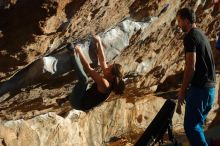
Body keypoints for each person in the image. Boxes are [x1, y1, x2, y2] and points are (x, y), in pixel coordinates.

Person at [176, 8, 216, 146]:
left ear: (187, 20)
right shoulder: (202, 35)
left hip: (200, 91)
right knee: (197, 126)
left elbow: (190, 66)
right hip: (210, 91)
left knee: (191, 127)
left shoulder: (190, 37)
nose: (179, 24)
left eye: (179, 21)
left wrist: (182, 92)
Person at [56, 35, 125, 110]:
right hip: (83, 97)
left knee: (84, 81)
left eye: (109, 68)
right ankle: (63, 100)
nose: (107, 68)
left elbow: (88, 68)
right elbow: (102, 60)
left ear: (112, 76)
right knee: (87, 89)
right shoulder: (110, 75)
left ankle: (72, 53)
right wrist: (99, 41)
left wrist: (79, 51)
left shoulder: (105, 84)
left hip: (78, 103)